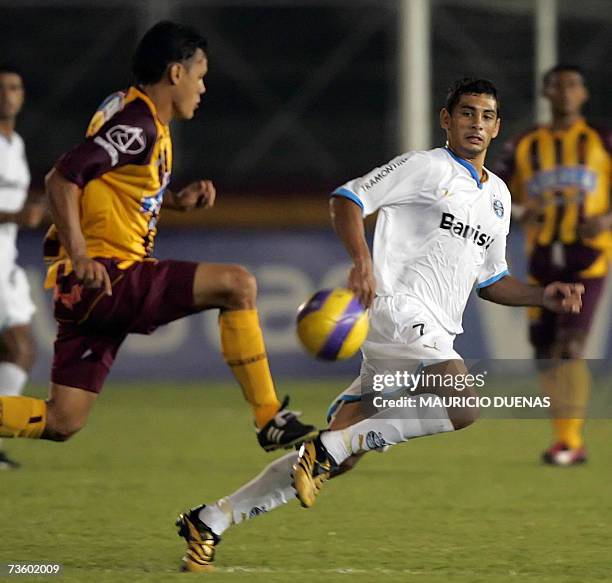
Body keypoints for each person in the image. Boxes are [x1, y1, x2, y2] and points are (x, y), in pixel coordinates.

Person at [175, 78, 585, 572]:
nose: (476, 123)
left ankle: (212, 519)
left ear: (497, 127)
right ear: (446, 120)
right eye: (467, 113)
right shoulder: (425, 167)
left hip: (428, 330)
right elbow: (347, 199)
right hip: (396, 310)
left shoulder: (497, 196)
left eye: (486, 116)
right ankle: (330, 446)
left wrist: (544, 294)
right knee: (463, 405)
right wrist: (362, 262)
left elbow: (492, 280)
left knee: (341, 457)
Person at [0, 22, 316, 452]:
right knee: (237, 284)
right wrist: (80, 255)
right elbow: (63, 178)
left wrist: (172, 201)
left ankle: (269, 419)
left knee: (62, 419)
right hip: (108, 274)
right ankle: (268, 417)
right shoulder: (138, 125)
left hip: (87, 286)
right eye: (200, 76)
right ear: (175, 74)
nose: (203, 88)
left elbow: (110, 182)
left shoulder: (132, 115)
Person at [494, 64, 612, 465]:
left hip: (588, 259)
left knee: (571, 346)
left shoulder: (602, 139)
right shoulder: (526, 143)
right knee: (544, 350)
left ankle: (570, 442)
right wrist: (523, 212)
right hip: (542, 261)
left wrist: (606, 220)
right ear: (546, 93)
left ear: (584, 94)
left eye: (572, 84)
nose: (564, 91)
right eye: (556, 85)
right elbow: (492, 192)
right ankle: (565, 436)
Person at [0, 64, 45, 469]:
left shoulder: (15, 145)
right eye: (2, 88)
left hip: (6, 261)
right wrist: (16, 217)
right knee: (17, 346)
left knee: (20, 349)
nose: (8, 94)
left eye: (14, 87)